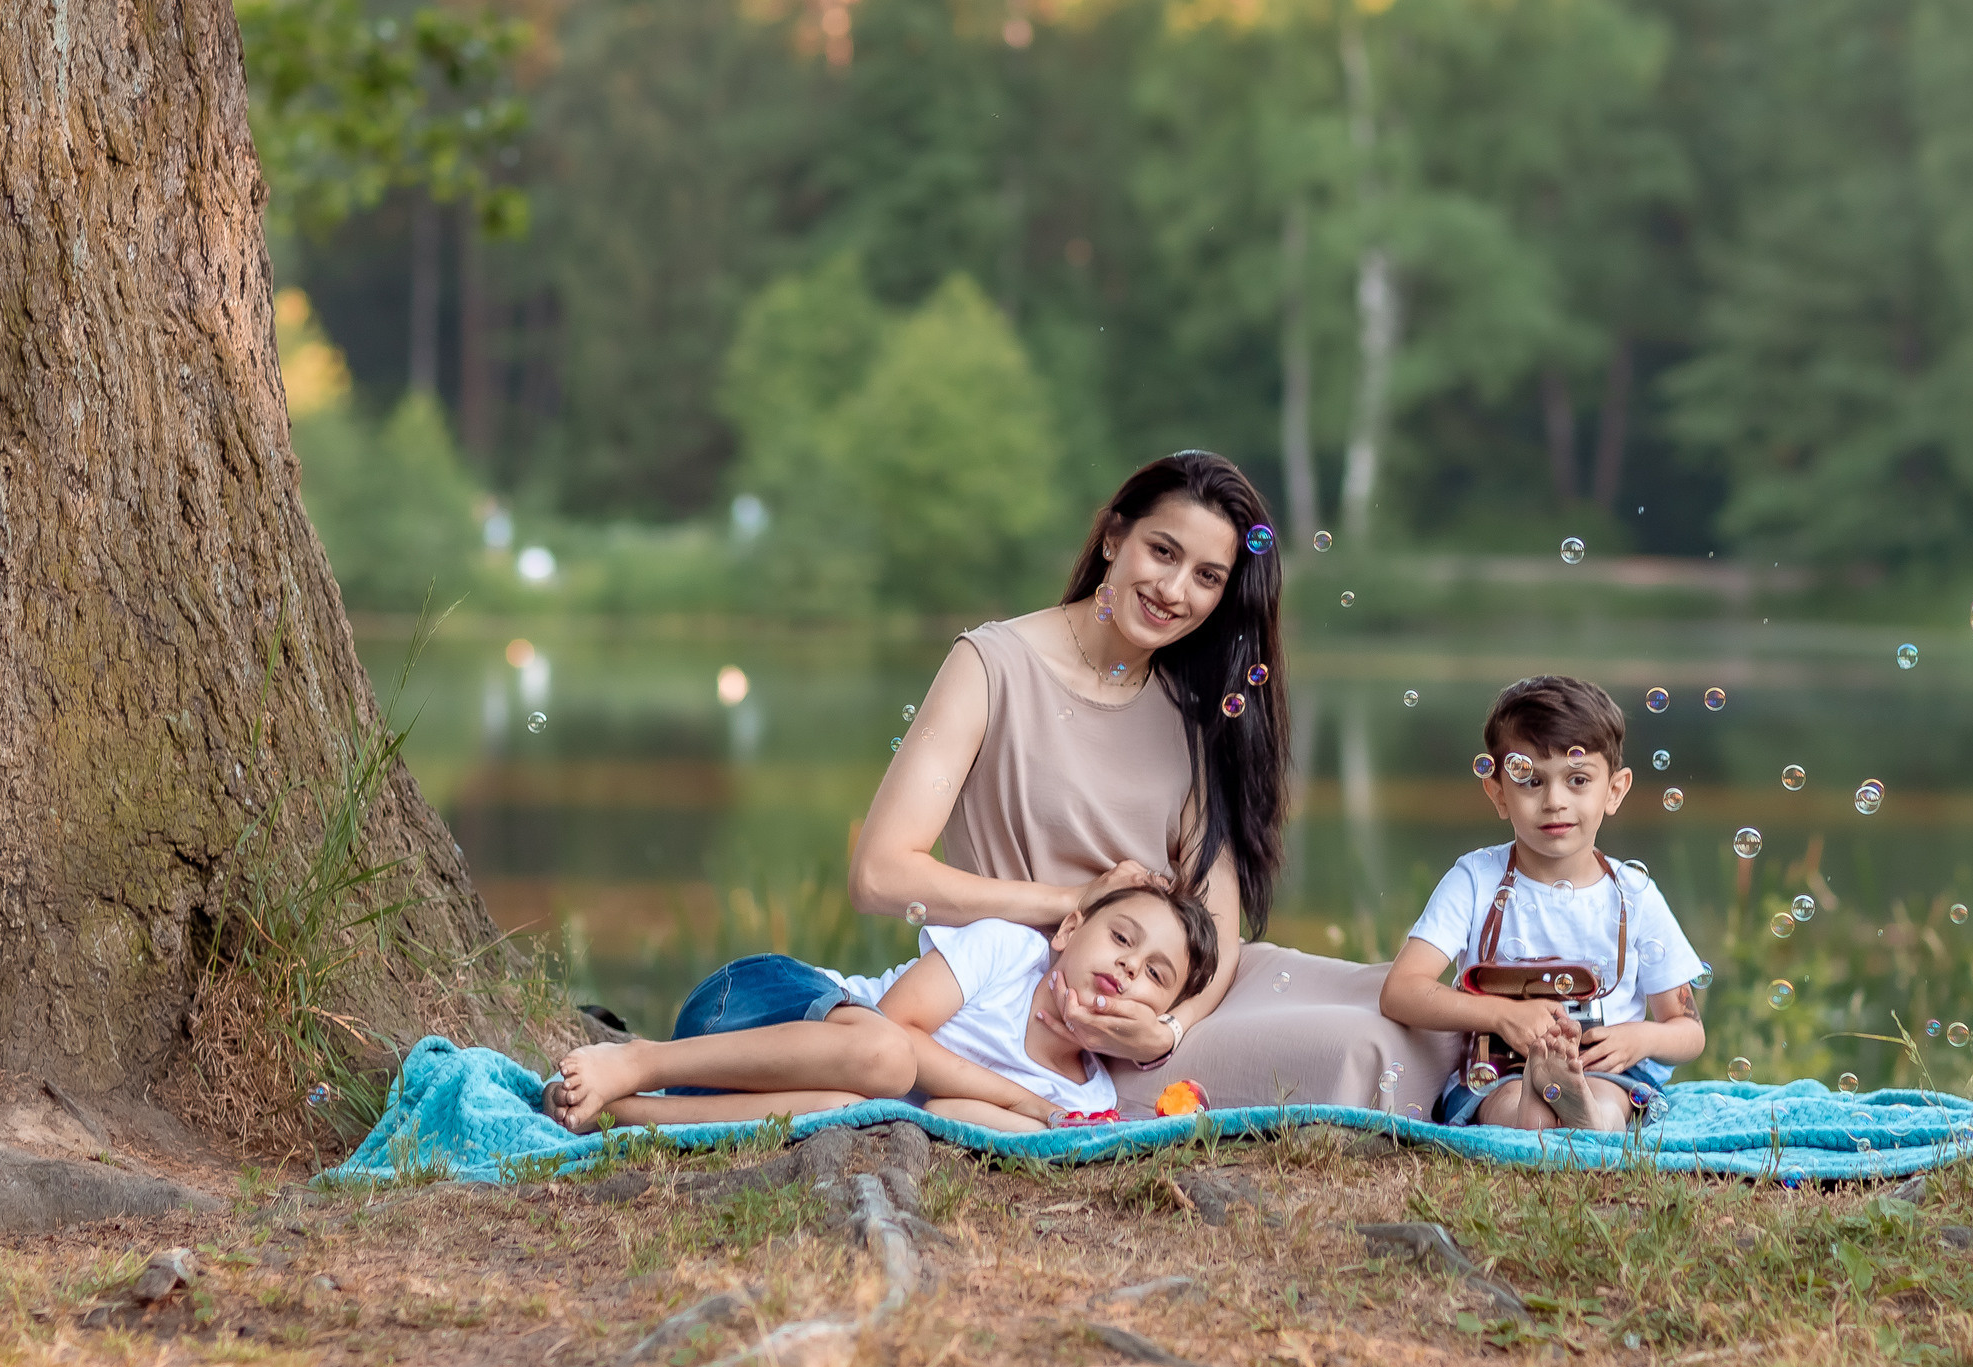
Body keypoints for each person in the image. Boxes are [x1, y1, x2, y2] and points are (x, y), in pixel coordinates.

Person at [842, 449, 1459, 1111]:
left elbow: (1217, 927)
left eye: (1207, 576)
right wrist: (1068, 900)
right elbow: (879, 875)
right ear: (1114, 537)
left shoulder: (1191, 710)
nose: (1174, 590)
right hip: (1068, 1013)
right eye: (1162, 551)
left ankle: (1515, 1088)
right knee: (1364, 1044)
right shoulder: (992, 666)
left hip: (1173, 994)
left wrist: (1169, 1028)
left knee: (1415, 1010)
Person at [543, 885, 1219, 1134]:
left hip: (758, 1093)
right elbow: (895, 1022)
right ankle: (640, 1058)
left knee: (857, 1113)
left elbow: (948, 1116)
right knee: (887, 1059)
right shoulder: (1012, 952)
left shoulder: (1082, 1094)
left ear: (1156, 1013)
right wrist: (1024, 1101)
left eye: (1155, 974)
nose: (1130, 966)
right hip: (758, 1005)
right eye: (1122, 937)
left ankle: (627, 1115)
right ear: (1069, 930)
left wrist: (1047, 1119)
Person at [1379, 676, 1707, 1131]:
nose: (1554, 801)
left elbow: (1688, 1030)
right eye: (1530, 781)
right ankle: (1540, 1102)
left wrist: (1640, 1037)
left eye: (1577, 780)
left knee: (1610, 1101)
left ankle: (1585, 1113)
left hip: (1605, 1070)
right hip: (1499, 1068)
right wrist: (1502, 1014)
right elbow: (1401, 990)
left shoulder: (1633, 894)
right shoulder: (1476, 880)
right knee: (1509, 1104)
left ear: (1614, 790)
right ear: (1498, 794)